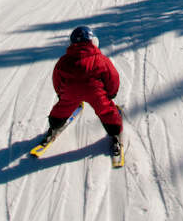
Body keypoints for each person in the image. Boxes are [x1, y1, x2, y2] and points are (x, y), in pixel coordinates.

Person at [43, 25, 123, 156]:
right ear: (93, 42)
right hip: (95, 92)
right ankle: (114, 133)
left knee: (62, 108)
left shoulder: (64, 61)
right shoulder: (101, 59)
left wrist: (60, 94)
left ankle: (54, 126)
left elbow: (57, 78)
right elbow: (112, 77)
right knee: (106, 109)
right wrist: (111, 93)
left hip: (70, 92)